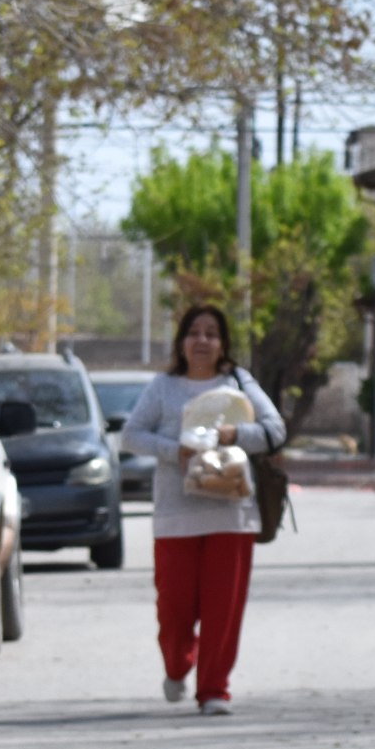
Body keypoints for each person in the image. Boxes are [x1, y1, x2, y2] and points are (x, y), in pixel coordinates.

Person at [121, 305, 286, 714]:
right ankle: (178, 665)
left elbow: (274, 431)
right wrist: (173, 449)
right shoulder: (163, 387)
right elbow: (131, 436)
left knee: (223, 610)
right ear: (181, 341)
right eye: (194, 332)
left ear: (223, 344)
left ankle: (214, 689)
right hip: (176, 516)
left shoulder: (239, 383)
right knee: (174, 610)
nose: (202, 340)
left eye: (212, 333)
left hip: (231, 513)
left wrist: (236, 433)